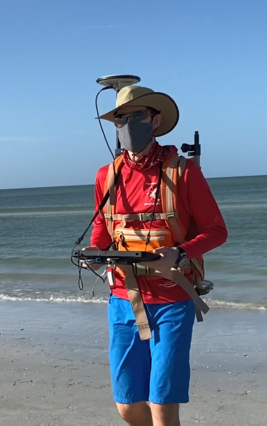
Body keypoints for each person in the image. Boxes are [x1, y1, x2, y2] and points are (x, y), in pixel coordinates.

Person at [83, 85, 228, 426]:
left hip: (173, 300)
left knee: (162, 405)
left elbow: (217, 231)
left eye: (137, 116)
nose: (128, 124)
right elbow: (103, 233)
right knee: (128, 407)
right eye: (121, 118)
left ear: (156, 120)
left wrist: (178, 254)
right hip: (123, 299)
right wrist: (94, 253)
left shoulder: (184, 171)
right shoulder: (107, 176)